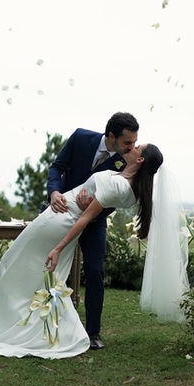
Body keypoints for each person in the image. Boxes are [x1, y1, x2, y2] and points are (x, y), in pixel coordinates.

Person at [0, 144, 185, 358]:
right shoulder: (125, 180)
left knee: (11, 263)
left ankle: (25, 326)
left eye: (137, 146)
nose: (132, 146)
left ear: (140, 160)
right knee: (41, 277)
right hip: (61, 211)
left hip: (60, 218)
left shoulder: (121, 185)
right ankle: (34, 326)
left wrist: (59, 247)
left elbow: (86, 217)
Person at [46, 112, 139, 350]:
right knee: (51, 268)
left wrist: (94, 207)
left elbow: (115, 196)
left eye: (135, 142)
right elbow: (57, 168)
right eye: (128, 142)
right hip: (60, 211)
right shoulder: (80, 138)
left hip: (95, 220)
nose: (132, 147)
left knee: (95, 271)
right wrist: (54, 193)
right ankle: (47, 323)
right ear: (111, 136)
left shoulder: (124, 162)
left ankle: (94, 332)